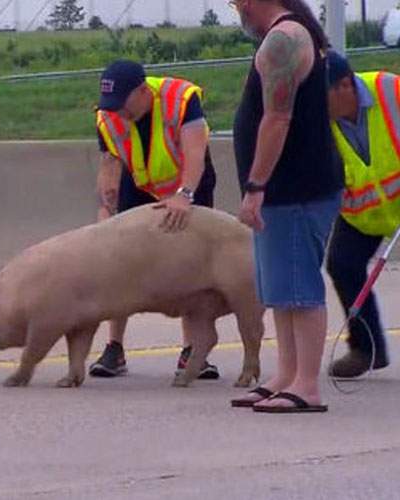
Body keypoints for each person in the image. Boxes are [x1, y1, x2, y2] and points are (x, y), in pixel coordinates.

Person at [230, 0, 344, 413]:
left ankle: (307, 386)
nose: (236, 8)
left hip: (295, 188)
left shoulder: (283, 40)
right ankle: (286, 374)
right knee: (280, 289)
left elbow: (277, 119)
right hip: (284, 191)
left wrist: (256, 185)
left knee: (298, 288)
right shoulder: (286, 36)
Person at [89, 59, 221, 380]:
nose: (118, 112)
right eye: (112, 106)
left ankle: (193, 352)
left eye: (123, 104)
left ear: (142, 91)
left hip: (189, 183)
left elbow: (194, 154)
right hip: (140, 184)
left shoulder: (182, 99)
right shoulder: (109, 116)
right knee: (121, 261)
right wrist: (106, 205)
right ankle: (114, 349)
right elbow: (110, 163)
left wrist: (184, 194)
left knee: (191, 266)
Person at [325, 51, 397, 378]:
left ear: (345, 86)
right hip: (361, 214)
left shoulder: (390, 91)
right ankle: (366, 348)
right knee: (342, 263)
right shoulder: (320, 122)